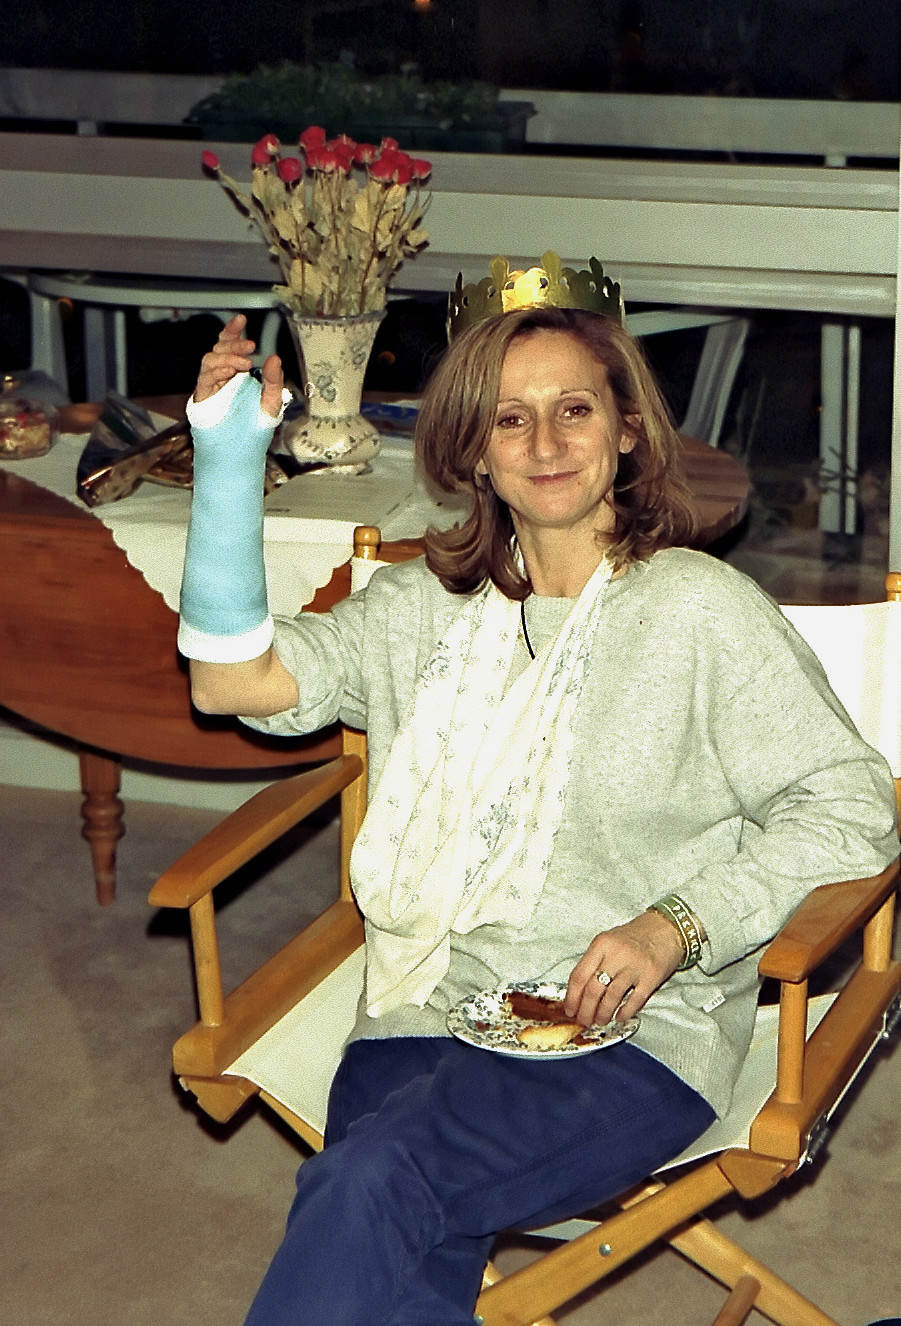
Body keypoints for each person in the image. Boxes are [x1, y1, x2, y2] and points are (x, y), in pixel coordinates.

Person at [178, 299, 898, 1326]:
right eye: (509, 419)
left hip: (627, 1038)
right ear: (473, 451)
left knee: (370, 1183)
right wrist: (224, 460)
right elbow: (229, 683)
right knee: (392, 1246)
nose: (546, 443)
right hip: (417, 1011)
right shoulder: (417, 609)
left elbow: (852, 806)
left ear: (627, 429)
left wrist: (675, 926)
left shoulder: (698, 611)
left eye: (574, 409)